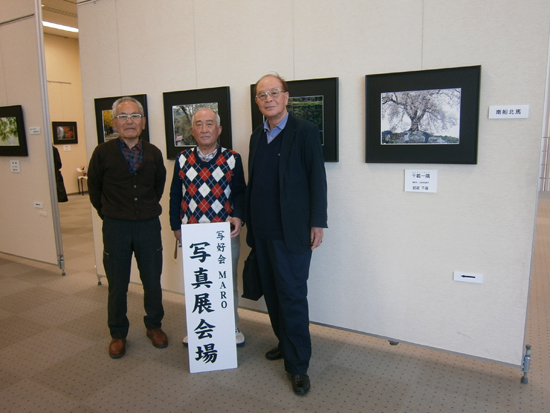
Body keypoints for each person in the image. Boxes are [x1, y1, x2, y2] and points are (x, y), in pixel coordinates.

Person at [246, 74, 328, 396]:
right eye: (261, 94)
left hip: (292, 232)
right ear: (257, 102)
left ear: (286, 97)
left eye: (274, 92)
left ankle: (298, 365)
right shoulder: (257, 136)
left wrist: (317, 221)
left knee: (292, 297)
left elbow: (317, 178)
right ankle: (285, 343)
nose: (268, 98)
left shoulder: (304, 131)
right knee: (272, 292)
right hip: (262, 230)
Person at [88, 96, 168, 359]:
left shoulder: (154, 153)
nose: (129, 121)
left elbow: (158, 186)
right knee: (117, 283)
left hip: (148, 226)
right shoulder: (102, 153)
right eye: (123, 116)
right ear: (115, 123)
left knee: (152, 281)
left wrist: (143, 210)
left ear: (143, 122)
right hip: (116, 228)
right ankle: (118, 333)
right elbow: (94, 189)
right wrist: (110, 213)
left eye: (134, 116)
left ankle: (154, 325)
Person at [169, 107, 246, 347]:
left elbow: (240, 193)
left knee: (225, 283)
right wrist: (175, 227)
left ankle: (231, 325)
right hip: (193, 234)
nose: (204, 129)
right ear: (192, 130)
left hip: (224, 234)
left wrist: (239, 217)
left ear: (219, 129)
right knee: (198, 283)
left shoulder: (232, 158)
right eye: (199, 124)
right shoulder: (183, 159)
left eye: (209, 124)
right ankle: (197, 328)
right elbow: (175, 195)